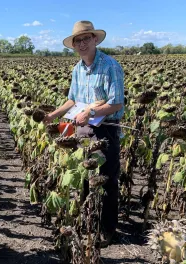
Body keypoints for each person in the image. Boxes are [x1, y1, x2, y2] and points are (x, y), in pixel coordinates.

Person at [43, 20, 125, 247]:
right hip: (83, 129)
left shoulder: (110, 65)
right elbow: (73, 100)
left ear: (95, 39)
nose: (82, 43)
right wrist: (54, 114)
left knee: (106, 180)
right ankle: (89, 222)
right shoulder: (77, 69)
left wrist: (91, 113)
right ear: (74, 45)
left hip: (106, 129)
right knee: (85, 179)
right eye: (78, 40)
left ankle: (107, 230)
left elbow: (116, 103)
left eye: (86, 38)